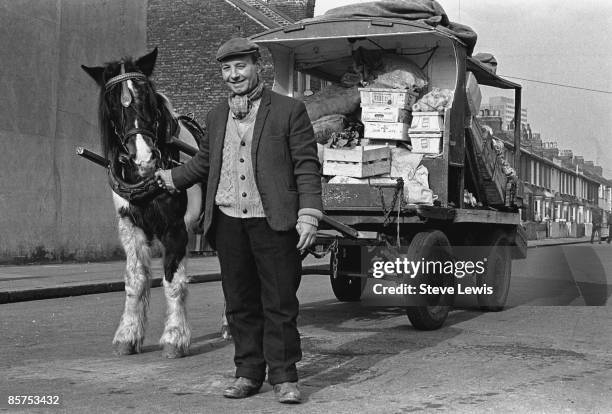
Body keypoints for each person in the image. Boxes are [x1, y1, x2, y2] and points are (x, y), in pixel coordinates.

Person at [155, 37, 322, 404]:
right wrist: (171, 178)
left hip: (273, 220)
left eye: (240, 66)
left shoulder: (288, 111)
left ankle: (284, 377)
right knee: (239, 303)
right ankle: (248, 373)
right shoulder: (217, 116)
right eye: (227, 69)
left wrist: (309, 214)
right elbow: (204, 163)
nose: (234, 75)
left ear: (256, 66)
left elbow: (306, 166)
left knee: (278, 301)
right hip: (228, 221)